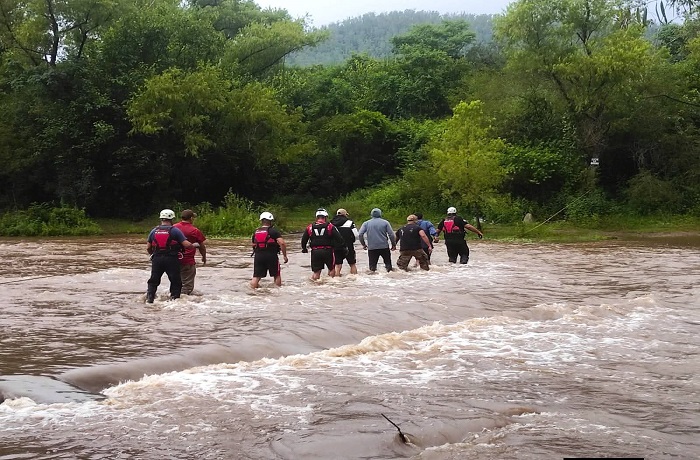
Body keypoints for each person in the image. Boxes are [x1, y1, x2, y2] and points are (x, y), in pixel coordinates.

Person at [146, 209, 199, 303]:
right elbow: (186, 244)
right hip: (171, 259)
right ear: (172, 219)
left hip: (157, 259)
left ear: (161, 218)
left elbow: (148, 247)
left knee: (154, 280)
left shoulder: (154, 231)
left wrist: (153, 255)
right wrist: (194, 245)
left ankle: (150, 299)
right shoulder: (175, 231)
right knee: (175, 281)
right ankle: (174, 300)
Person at [301, 208, 344, 280]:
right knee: (331, 269)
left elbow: (304, 240)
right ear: (325, 217)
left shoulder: (310, 227)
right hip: (328, 251)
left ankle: (316, 285)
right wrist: (340, 247)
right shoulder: (330, 226)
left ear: (317, 217)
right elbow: (339, 238)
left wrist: (304, 249)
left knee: (316, 272)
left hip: (315, 252)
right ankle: (331, 283)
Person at [250, 211, 288, 288]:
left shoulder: (256, 232)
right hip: (271, 256)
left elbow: (253, 244)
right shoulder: (273, 231)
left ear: (261, 221)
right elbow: (282, 243)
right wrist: (285, 256)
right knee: (276, 275)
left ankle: (253, 291)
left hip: (258, 256)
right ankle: (277, 291)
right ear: (271, 221)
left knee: (256, 277)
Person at [173, 209, 207, 295]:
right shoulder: (194, 230)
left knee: (175, 284)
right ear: (191, 218)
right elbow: (202, 247)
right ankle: (182, 300)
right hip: (187, 261)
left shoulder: (173, 228)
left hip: (173, 260)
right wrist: (204, 257)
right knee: (187, 286)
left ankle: (173, 298)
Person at [358, 208, 396, 272]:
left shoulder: (366, 223)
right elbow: (391, 235)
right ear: (380, 214)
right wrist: (393, 244)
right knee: (388, 266)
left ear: (371, 215)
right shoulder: (385, 222)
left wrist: (363, 244)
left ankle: (372, 277)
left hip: (372, 248)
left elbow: (360, 234)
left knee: (372, 268)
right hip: (384, 247)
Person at [331, 208, 359, 276]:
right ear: (345, 215)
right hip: (348, 246)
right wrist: (352, 240)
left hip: (336, 247)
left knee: (337, 265)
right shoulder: (350, 223)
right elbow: (356, 235)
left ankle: (337, 279)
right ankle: (355, 279)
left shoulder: (331, 223)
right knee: (352, 264)